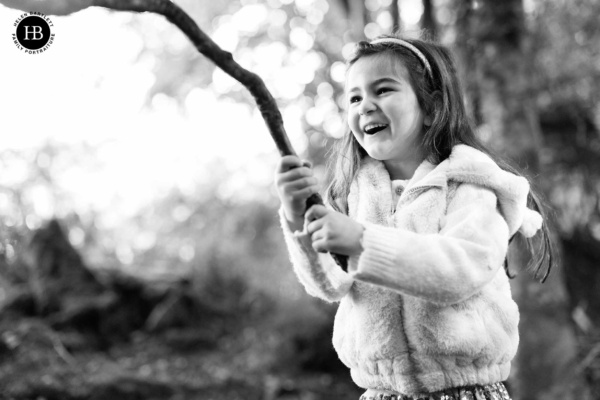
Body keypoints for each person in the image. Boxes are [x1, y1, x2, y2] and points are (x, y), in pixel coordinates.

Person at [274, 35, 555, 400]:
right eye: (355, 97)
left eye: (383, 90)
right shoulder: (355, 192)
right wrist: (297, 217)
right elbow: (329, 284)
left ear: (431, 107)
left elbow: (460, 269)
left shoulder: (471, 187)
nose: (365, 106)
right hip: (382, 393)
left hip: (464, 390)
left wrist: (362, 242)